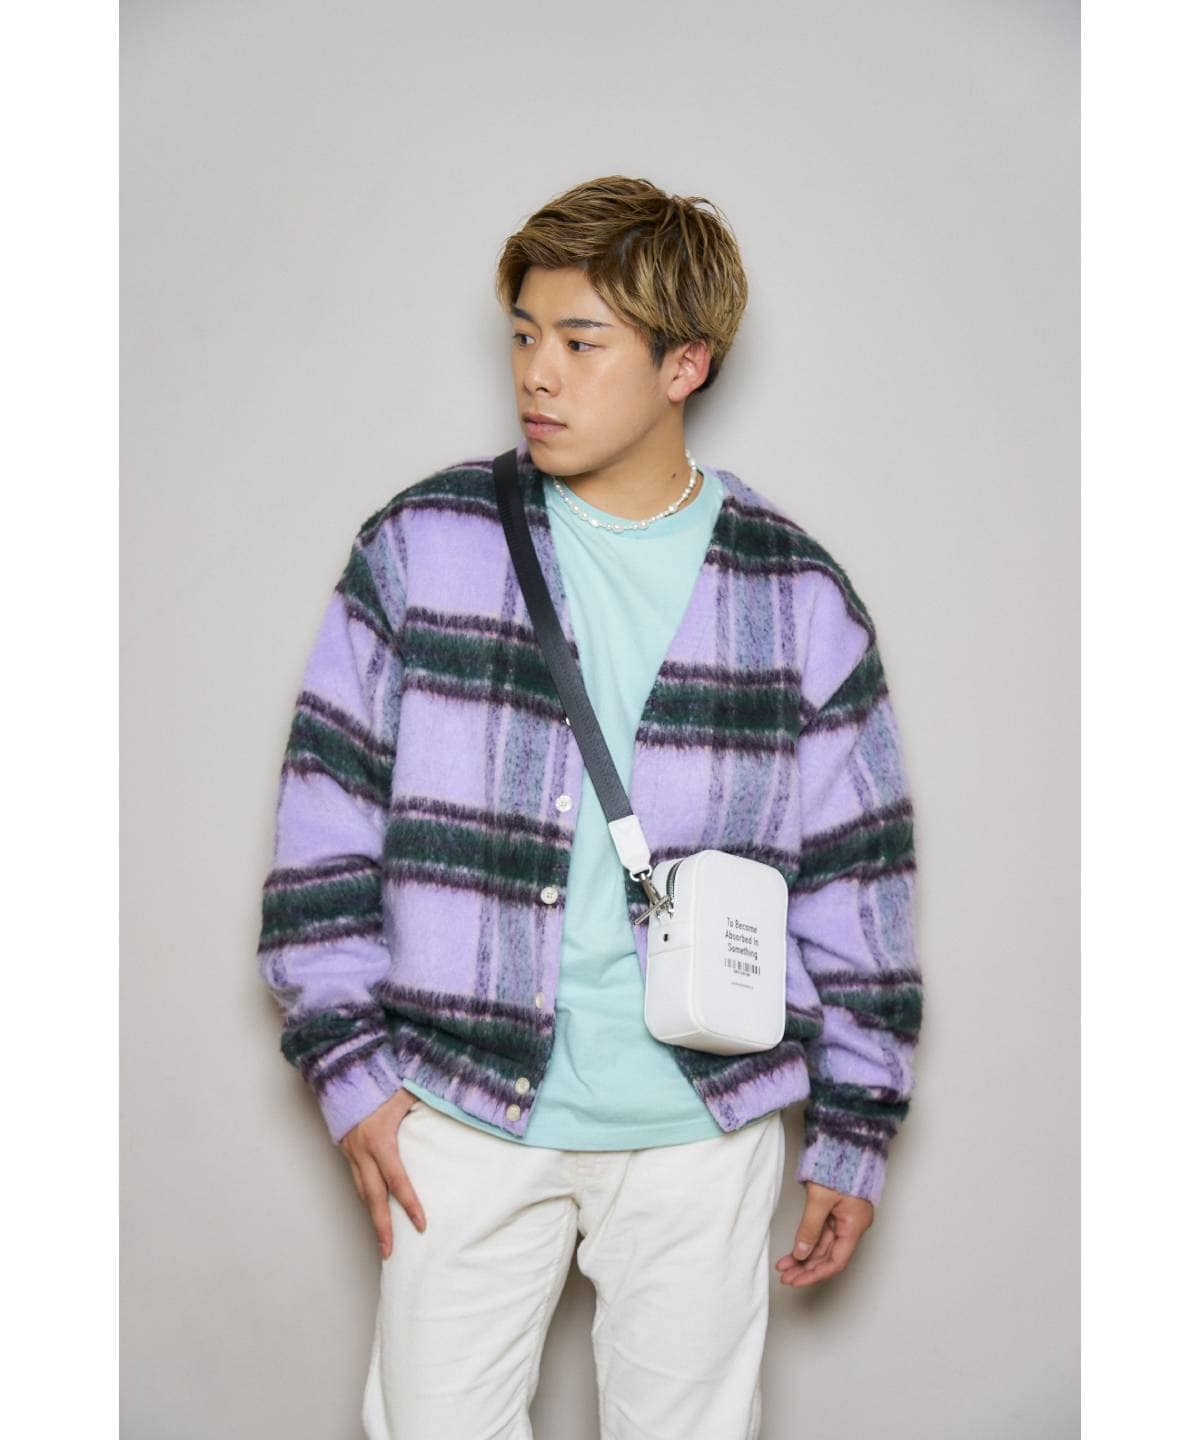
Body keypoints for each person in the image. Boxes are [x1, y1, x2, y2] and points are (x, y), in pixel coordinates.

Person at [256, 174, 923, 1440]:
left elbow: (859, 878)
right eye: (522, 335)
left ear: (685, 364)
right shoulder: (424, 544)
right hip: (459, 1106)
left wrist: (858, 1129)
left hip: (699, 1128)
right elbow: (322, 820)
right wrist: (352, 1073)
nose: (537, 374)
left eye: (580, 341)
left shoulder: (793, 592)